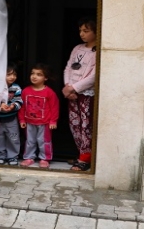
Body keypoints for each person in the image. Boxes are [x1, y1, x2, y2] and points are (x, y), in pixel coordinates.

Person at [62, 17, 97, 171]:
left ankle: (86, 157)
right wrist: (67, 87)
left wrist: (74, 88)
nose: (82, 34)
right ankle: (81, 154)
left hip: (86, 94)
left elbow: (94, 76)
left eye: (86, 31)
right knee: (74, 124)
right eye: (80, 31)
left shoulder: (99, 51)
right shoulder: (77, 48)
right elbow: (68, 67)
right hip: (72, 93)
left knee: (86, 125)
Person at [19, 63, 59, 169]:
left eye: (39, 74)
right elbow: (22, 106)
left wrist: (53, 121)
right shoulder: (25, 91)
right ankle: (29, 157)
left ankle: (45, 158)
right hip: (29, 122)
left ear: (45, 78)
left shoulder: (49, 93)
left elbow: (54, 107)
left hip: (44, 123)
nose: (34, 76)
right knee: (29, 140)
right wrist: (22, 119)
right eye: (32, 73)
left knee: (44, 141)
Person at [0, 64, 23, 166]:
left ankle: (12, 156)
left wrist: (12, 106)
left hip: (11, 118)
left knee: (13, 138)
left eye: (14, 74)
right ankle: (0, 155)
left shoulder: (16, 88)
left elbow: (19, 101)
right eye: (8, 74)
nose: (12, 77)